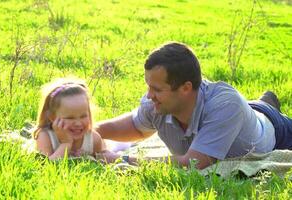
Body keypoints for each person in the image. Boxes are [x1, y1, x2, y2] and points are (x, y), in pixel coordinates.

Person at [96, 42, 292, 169]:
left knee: (258, 110)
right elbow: (135, 127)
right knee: (250, 108)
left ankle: (268, 103)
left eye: (156, 89)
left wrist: (122, 160)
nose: (149, 95)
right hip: (241, 116)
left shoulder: (226, 105)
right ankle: (264, 101)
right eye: (148, 86)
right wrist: (89, 132)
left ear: (185, 88)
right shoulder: (157, 102)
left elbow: (193, 163)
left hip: (276, 130)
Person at [33, 78, 112, 160]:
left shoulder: (93, 139)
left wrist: (88, 158)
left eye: (83, 116)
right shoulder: (45, 136)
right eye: (70, 118)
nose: (78, 123)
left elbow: (101, 163)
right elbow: (45, 166)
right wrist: (66, 144)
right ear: (53, 118)